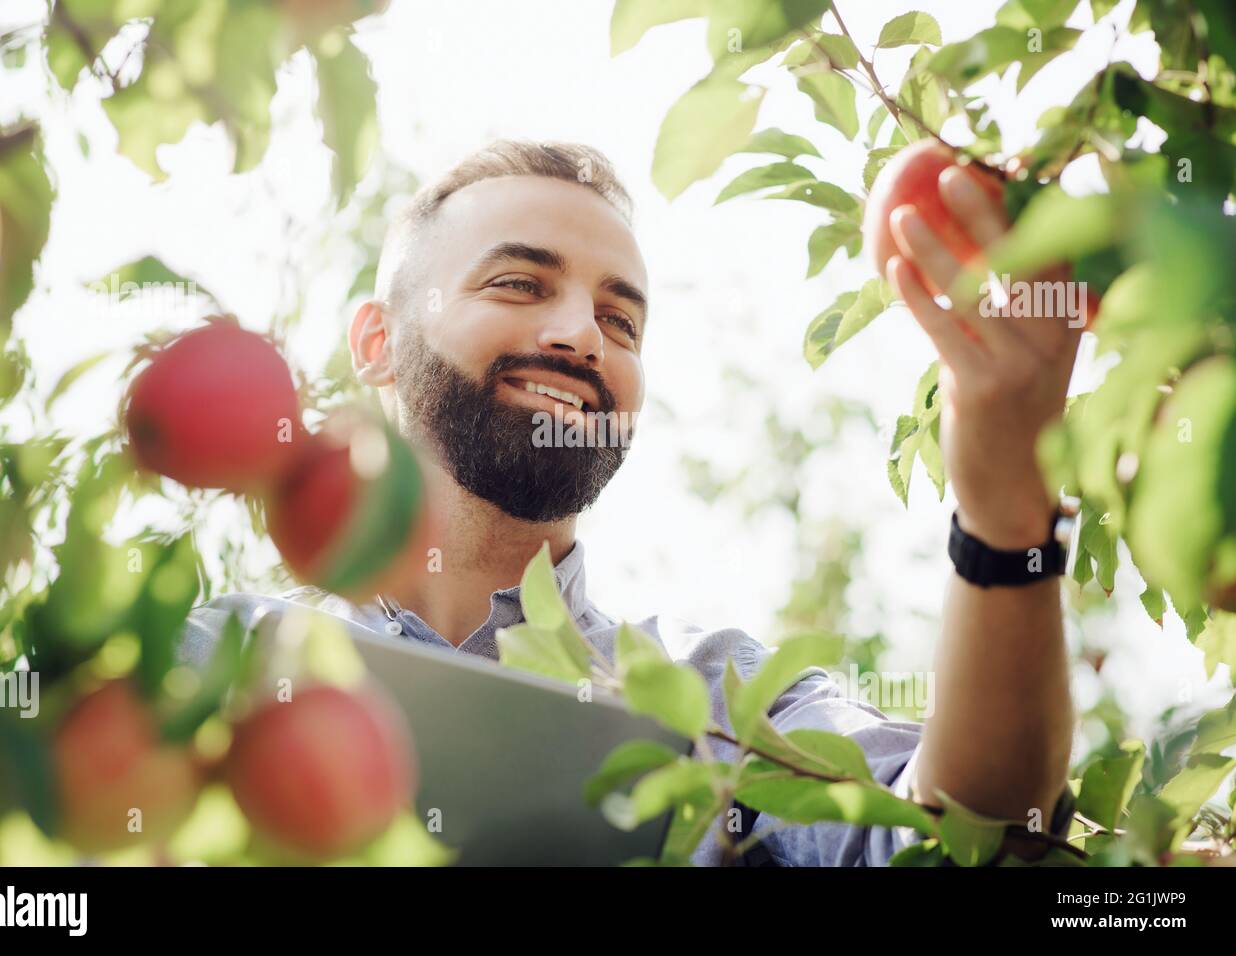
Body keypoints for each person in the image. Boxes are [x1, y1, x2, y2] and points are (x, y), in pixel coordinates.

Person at [179, 140, 1079, 866]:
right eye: (520, 284)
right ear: (378, 342)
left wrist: (1004, 510)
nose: (580, 335)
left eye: (622, 321)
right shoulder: (224, 658)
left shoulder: (723, 704)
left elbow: (966, 835)